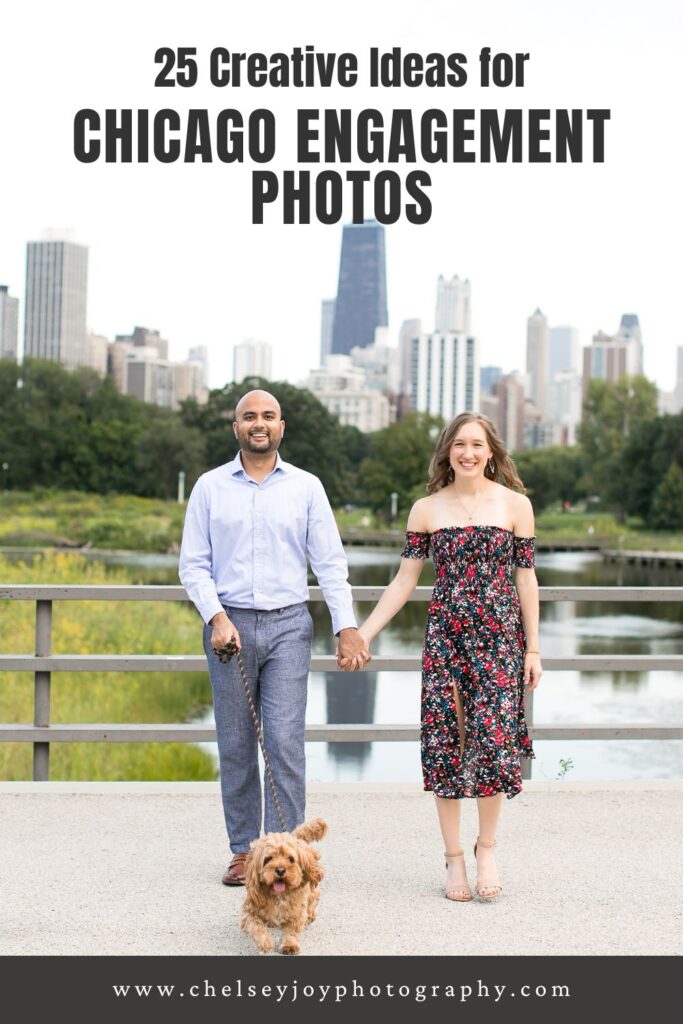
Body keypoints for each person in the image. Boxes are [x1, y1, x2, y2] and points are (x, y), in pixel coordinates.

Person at [339, 412, 542, 902]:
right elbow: (404, 581)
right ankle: (453, 858)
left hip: (500, 644)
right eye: (458, 445)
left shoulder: (516, 506)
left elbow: (526, 578)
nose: (467, 453)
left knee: (494, 747)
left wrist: (533, 648)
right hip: (446, 644)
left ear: (490, 451)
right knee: (448, 748)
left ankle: (486, 849)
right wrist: (361, 634)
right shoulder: (426, 509)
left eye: (476, 444)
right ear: (447, 452)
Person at [179, 389, 369, 886]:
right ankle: (245, 851)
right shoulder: (209, 487)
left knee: (284, 742)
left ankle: (290, 853)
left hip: (289, 624)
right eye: (249, 417)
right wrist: (216, 617)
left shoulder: (306, 487)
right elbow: (193, 565)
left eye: (267, 416)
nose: (258, 424)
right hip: (229, 626)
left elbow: (329, 564)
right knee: (237, 743)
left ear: (281, 427)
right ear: (235, 428)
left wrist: (346, 626)